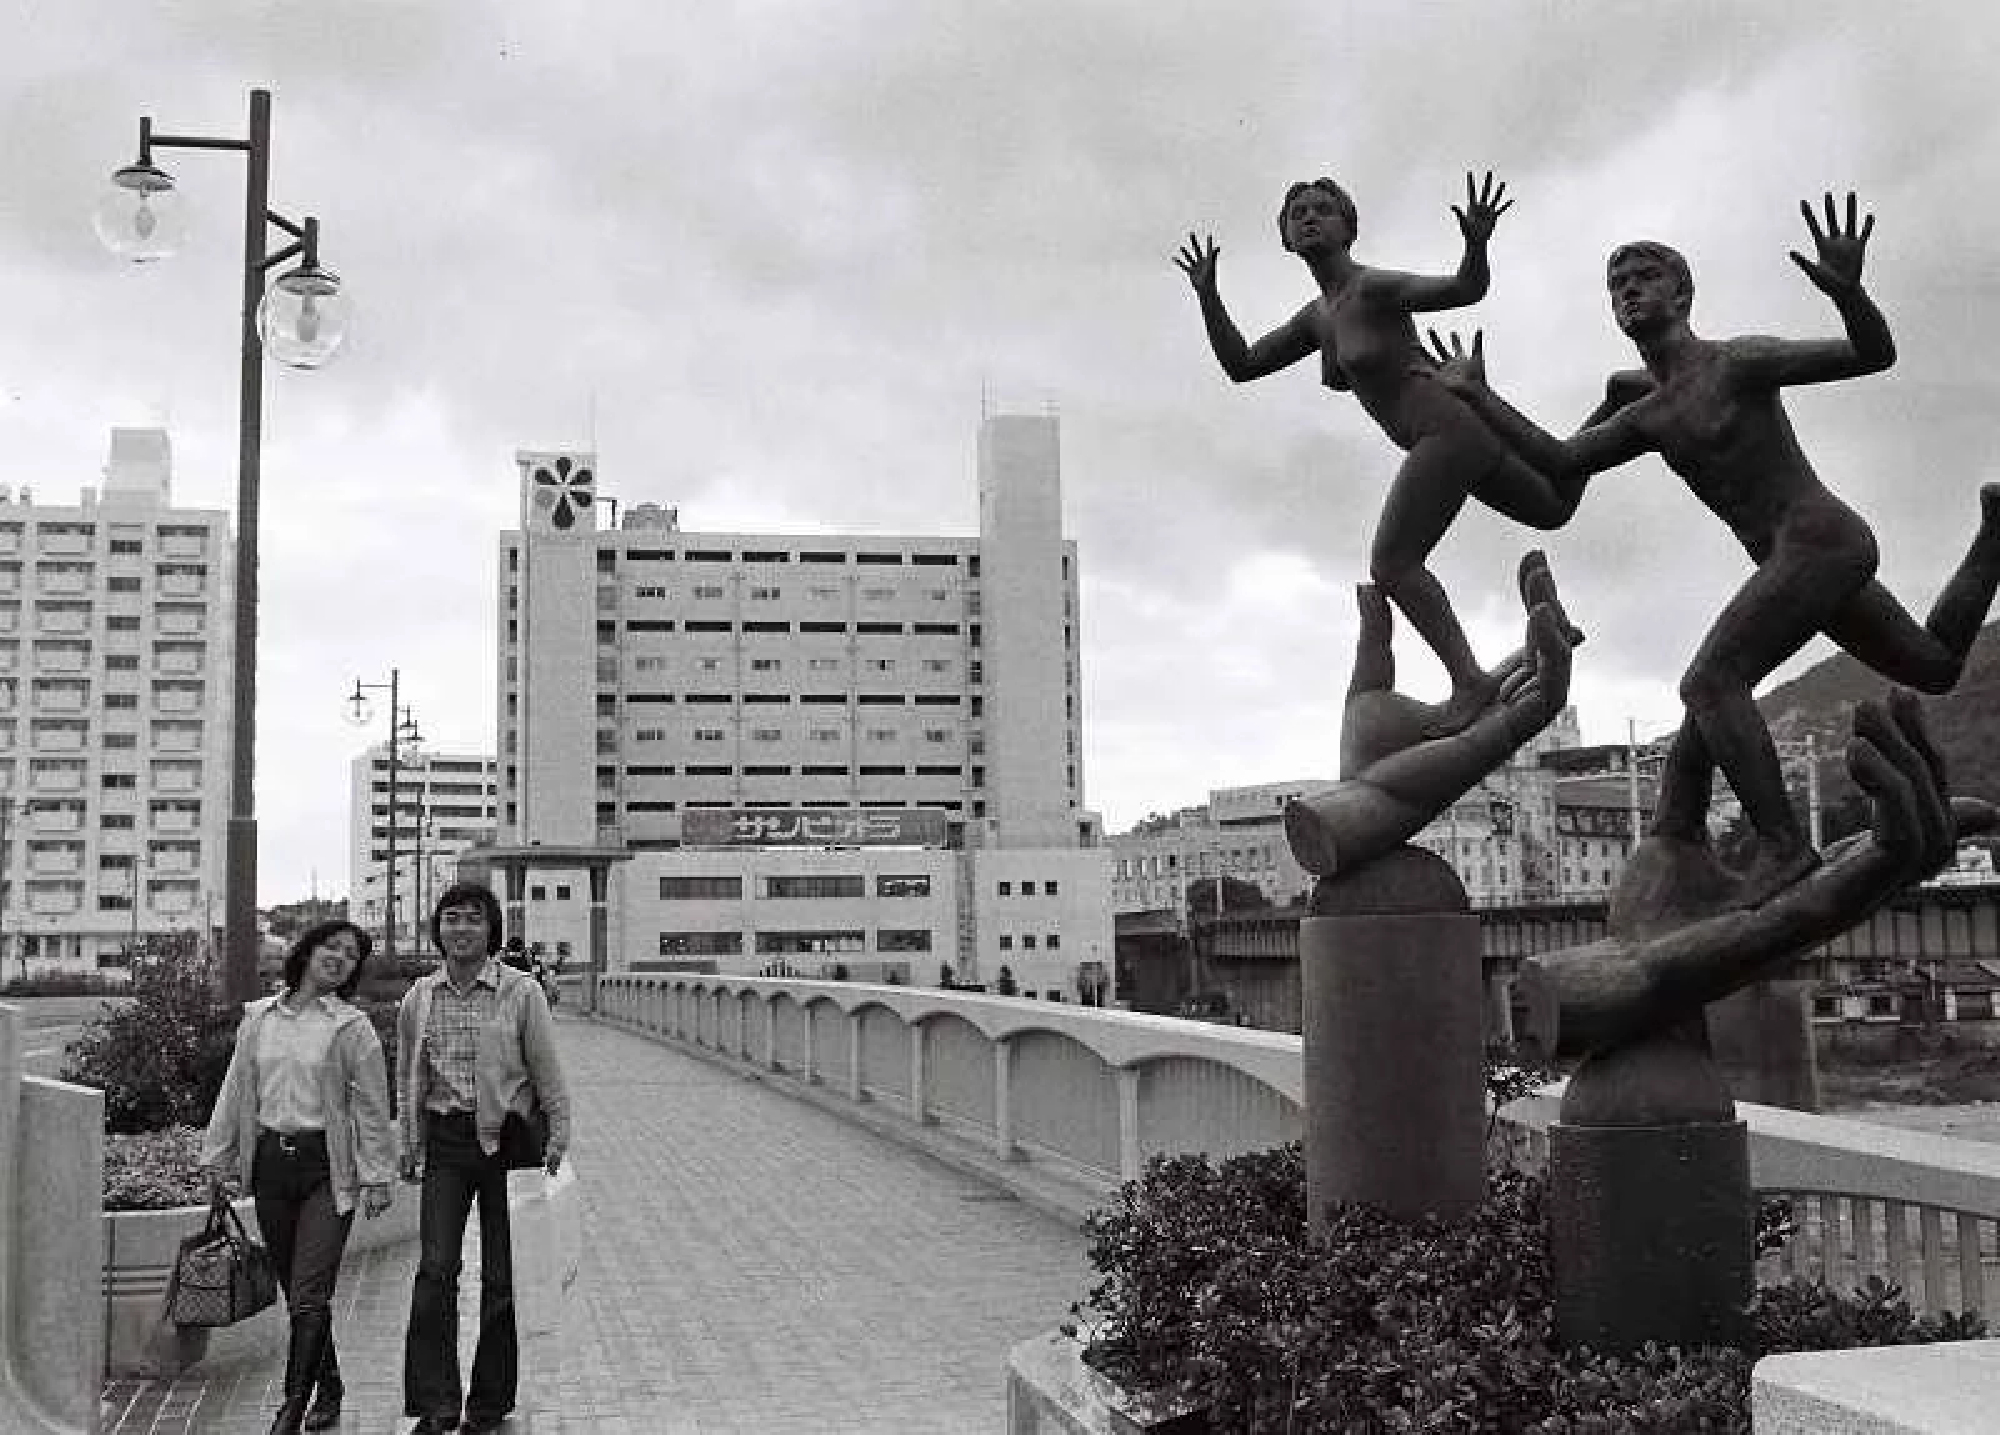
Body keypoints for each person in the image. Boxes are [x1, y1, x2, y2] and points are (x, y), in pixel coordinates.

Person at [1431, 192, 2000, 900]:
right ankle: (1993, 538)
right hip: (1795, 562)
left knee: (1709, 682)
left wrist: (1850, 293)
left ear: (1683, 291)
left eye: (1643, 276)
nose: (1628, 290)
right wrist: (1480, 397)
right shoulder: (1650, 412)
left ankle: (1784, 847)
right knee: (1936, 664)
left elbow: (1871, 353)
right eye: (1616, 284)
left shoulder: (1739, 362)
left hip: (1819, 541)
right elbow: (1560, 460)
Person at [1176, 172, 1586, 729]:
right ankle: (1619, 404)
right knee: (1553, 508)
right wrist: (1208, 295)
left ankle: (1469, 682)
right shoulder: (1318, 316)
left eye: (1323, 209)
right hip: (1452, 436)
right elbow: (1242, 365)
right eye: (1299, 214)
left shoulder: (1374, 288)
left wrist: (1476, 242)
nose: (1310, 217)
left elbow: (1464, 289)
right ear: (1286, 239)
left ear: (1349, 228)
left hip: (1443, 430)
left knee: (1392, 564)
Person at [201, 920, 395, 1435]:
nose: (339, 956)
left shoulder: (350, 1026)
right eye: (331, 946)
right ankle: (328, 1388)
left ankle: (291, 1407)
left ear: (355, 970)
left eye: (351, 954)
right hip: (270, 1167)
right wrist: (217, 1157)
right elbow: (236, 1090)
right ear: (307, 951)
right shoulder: (259, 1019)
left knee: (310, 1292)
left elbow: (374, 1106)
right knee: (299, 1291)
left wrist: (377, 1175)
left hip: (325, 1170)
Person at [398, 881, 570, 1435]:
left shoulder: (520, 992)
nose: (462, 928)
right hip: (447, 1141)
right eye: (452, 918)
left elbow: (546, 1068)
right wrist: (410, 1141)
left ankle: (488, 1403)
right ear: (438, 929)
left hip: (510, 1144)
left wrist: (559, 1132)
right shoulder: (420, 996)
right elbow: (410, 1074)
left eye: (474, 919)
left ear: (490, 930)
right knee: (436, 1269)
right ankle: (436, 1401)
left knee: (504, 1276)